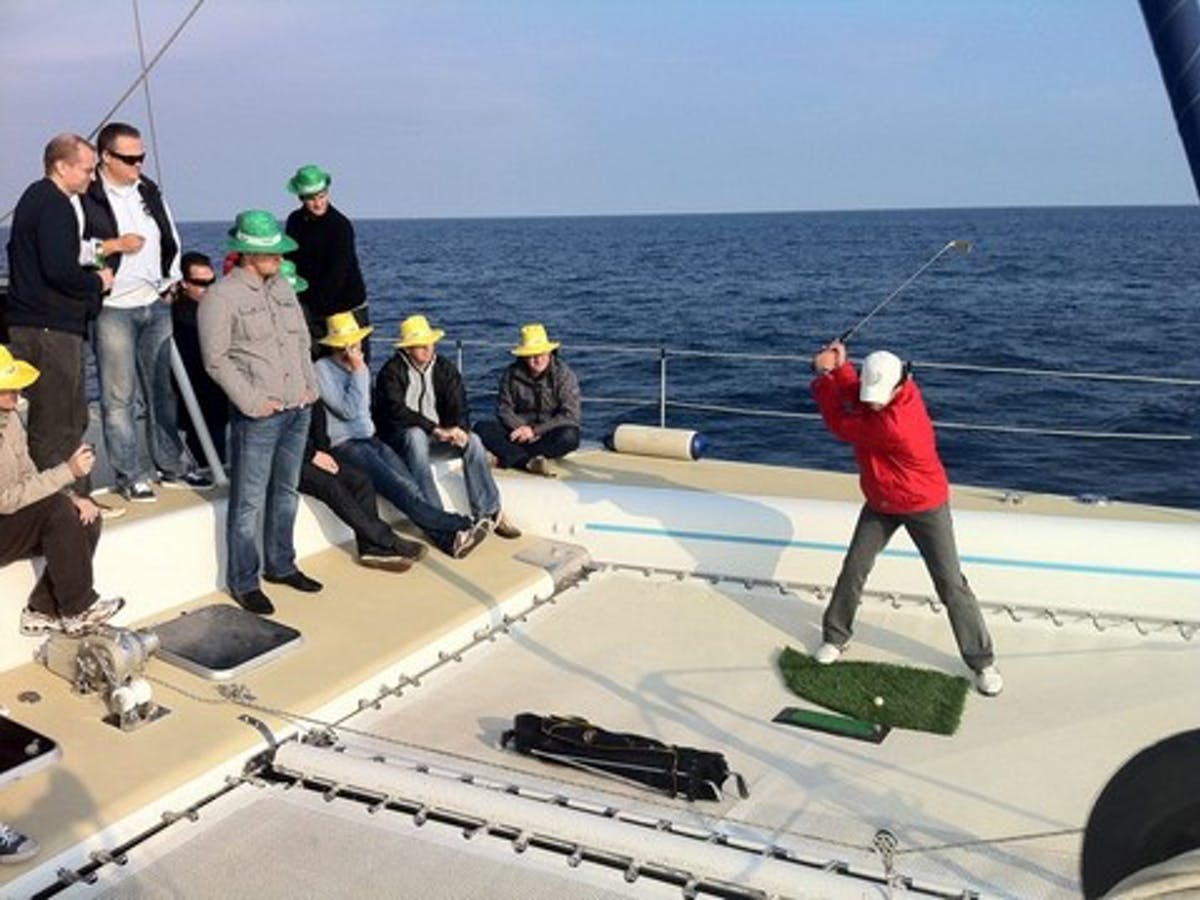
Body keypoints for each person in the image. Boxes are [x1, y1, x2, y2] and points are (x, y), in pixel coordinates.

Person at [808, 340, 1003, 696]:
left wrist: (825, 375)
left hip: (922, 505)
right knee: (854, 569)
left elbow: (840, 423)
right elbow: (858, 397)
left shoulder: (897, 425)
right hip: (881, 501)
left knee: (950, 583)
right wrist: (841, 367)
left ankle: (982, 661)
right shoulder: (891, 396)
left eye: (879, 395)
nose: (873, 401)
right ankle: (835, 637)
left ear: (900, 385)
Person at [198, 210, 322, 616]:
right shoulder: (221, 298)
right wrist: (252, 403)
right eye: (272, 253)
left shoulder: (283, 287)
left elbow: (301, 341)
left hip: (298, 406)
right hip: (259, 416)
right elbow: (216, 360)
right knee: (248, 502)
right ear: (249, 254)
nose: (279, 259)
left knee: (286, 491)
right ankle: (245, 581)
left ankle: (282, 565)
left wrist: (310, 388)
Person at [81, 122, 210, 502]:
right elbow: (75, 248)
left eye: (142, 157)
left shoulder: (148, 191)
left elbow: (170, 236)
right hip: (112, 307)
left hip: (154, 303)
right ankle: (130, 473)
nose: (138, 164)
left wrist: (170, 280)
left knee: (162, 391)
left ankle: (172, 466)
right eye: (129, 158)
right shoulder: (86, 196)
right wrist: (115, 246)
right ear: (106, 156)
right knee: (118, 396)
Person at [313, 312, 487, 559]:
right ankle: (459, 523)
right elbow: (348, 410)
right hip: (345, 445)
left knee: (409, 486)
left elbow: (364, 411)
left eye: (356, 341)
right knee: (398, 489)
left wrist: (358, 370)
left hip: (370, 439)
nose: (355, 347)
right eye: (349, 343)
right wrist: (359, 370)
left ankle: (450, 542)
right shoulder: (322, 369)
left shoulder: (357, 367)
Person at [4, 134, 113, 500]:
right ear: (62, 167)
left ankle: (57, 499)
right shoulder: (56, 205)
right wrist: (97, 281)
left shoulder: (33, 199)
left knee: (56, 417)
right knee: (59, 420)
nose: (92, 178)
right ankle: (69, 503)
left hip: (31, 323)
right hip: (51, 329)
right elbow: (58, 269)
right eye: (86, 170)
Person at [0, 344, 124, 637]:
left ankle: (42, 609)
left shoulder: (11, 419)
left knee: (85, 514)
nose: (17, 396)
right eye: (8, 389)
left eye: (16, 388)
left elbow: (28, 475)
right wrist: (68, 472)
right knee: (57, 510)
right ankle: (78, 608)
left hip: (10, 521)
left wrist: (72, 497)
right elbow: (5, 500)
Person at [374, 315, 520, 538]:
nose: (427, 349)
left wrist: (459, 429)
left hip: (436, 437)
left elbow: (460, 405)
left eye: (430, 343)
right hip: (400, 443)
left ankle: (489, 512)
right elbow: (395, 411)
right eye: (420, 345)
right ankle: (437, 517)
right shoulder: (391, 372)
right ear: (408, 349)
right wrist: (434, 428)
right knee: (415, 436)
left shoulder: (445, 368)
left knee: (474, 441)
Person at [300, 403, 427, 572]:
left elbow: (319, 424)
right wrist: (312, 455)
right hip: (286, 462)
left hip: (313, 455)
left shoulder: (310, 395)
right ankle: (387, 538)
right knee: (331, 486)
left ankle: (369, 548)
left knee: (361, 481)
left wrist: (323, 453)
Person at [475, 323, 581, 476]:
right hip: (517, 432)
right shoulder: (510, 375)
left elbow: (570, 415)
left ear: (549, 352)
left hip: (547, 432)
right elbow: (504, 409)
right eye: (531, 355)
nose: (537, 359)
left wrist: (534, 431)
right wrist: (521, 429)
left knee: (570, 437)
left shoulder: (564, 375)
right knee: (481, 428)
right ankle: (526, 462)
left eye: (541, 353)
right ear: (524, 357)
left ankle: (509, 456)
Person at [283, 164, 369, 350]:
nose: (318, 203)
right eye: (311, 198)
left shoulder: (340, 226)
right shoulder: (294, 221)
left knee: (352, 361)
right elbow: (289, 260)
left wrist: (312, 309)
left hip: (346, 306)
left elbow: (337, 274)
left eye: (321, 196)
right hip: (310, 305)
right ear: (300, 198)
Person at [171, 252, 229, 467]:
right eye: (200, 283)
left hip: (214, 394)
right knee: (209, 450)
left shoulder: (211, 308)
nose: (208, 288)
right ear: (184, 283)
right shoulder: (180, 316)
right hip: (199, 395)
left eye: (211, 281)